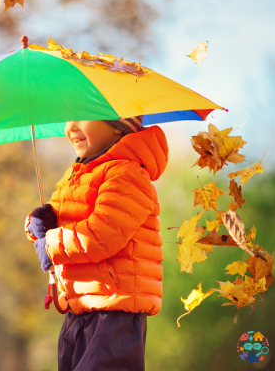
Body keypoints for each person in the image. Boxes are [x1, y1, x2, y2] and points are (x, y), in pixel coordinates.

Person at [24, 116, 168, 371]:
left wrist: (50, 243)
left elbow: (100, 235)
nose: (70, 127)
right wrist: (38, 224)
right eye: (68, 119)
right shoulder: (76, 174)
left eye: (82, 116)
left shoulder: (128, 173)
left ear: (117, 124)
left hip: (114, 310)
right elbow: (58, 223)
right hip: (79, 306)